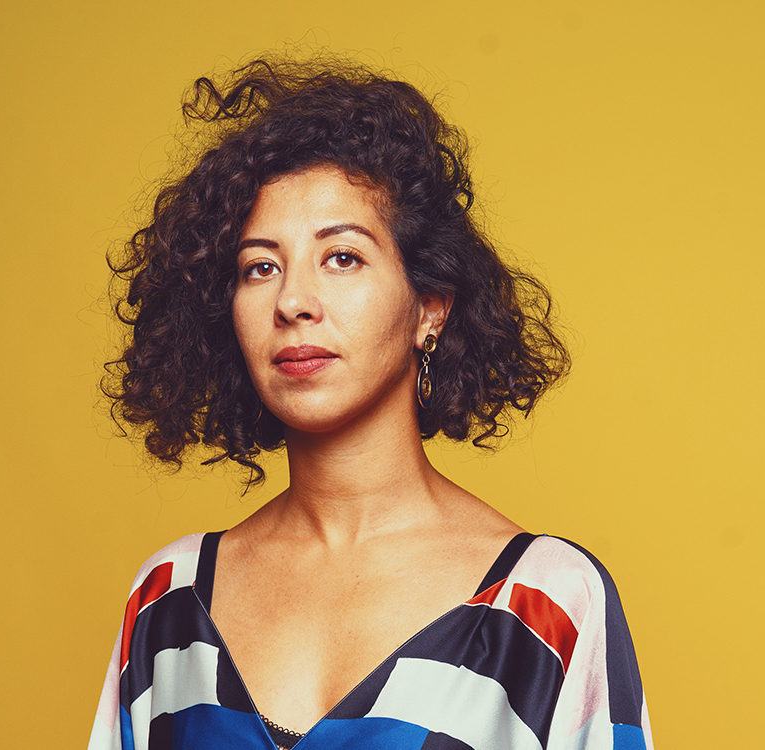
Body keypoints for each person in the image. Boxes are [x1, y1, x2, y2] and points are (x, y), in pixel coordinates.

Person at [89, 55, 653, 750]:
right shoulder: (168, 601)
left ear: (430, 308)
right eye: (259, 267)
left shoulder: (545, 606)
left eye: (343, 257)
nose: (292, 302)